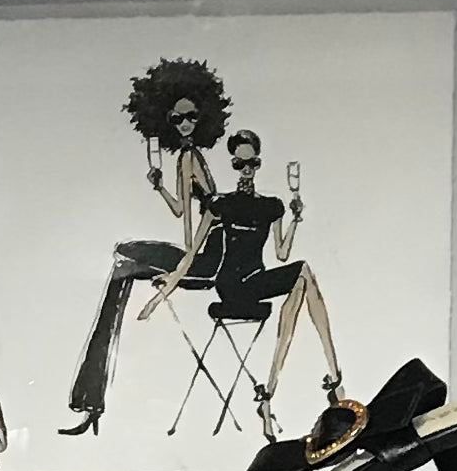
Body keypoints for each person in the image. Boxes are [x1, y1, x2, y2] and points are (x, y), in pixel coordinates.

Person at [59, 58, 230, 436]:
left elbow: (211, 214)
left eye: (191, 117)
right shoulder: (185, 158)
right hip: (197, 254)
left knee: (123, 263)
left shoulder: (191, 157)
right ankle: (91, 396)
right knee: (123, 256)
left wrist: (178, 273)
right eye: (176, 119)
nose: (184, 124)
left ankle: (91, 396)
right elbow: (182, 210)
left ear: (203, 118)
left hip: (206, 260)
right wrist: (159, 186)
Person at [139, 129, 343, 440]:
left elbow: (281, 253)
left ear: (258, 164)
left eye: (252, 163)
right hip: (232, 286)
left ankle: (274, 391)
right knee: (302, 274)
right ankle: (324, 384)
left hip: (256, 280)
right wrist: (163, 293)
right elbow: (191, 253)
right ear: (233, 164)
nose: (246, 169)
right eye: (240, 164)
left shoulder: (272, 206)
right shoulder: (221, 205)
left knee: (303, 276)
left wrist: (295, 220)